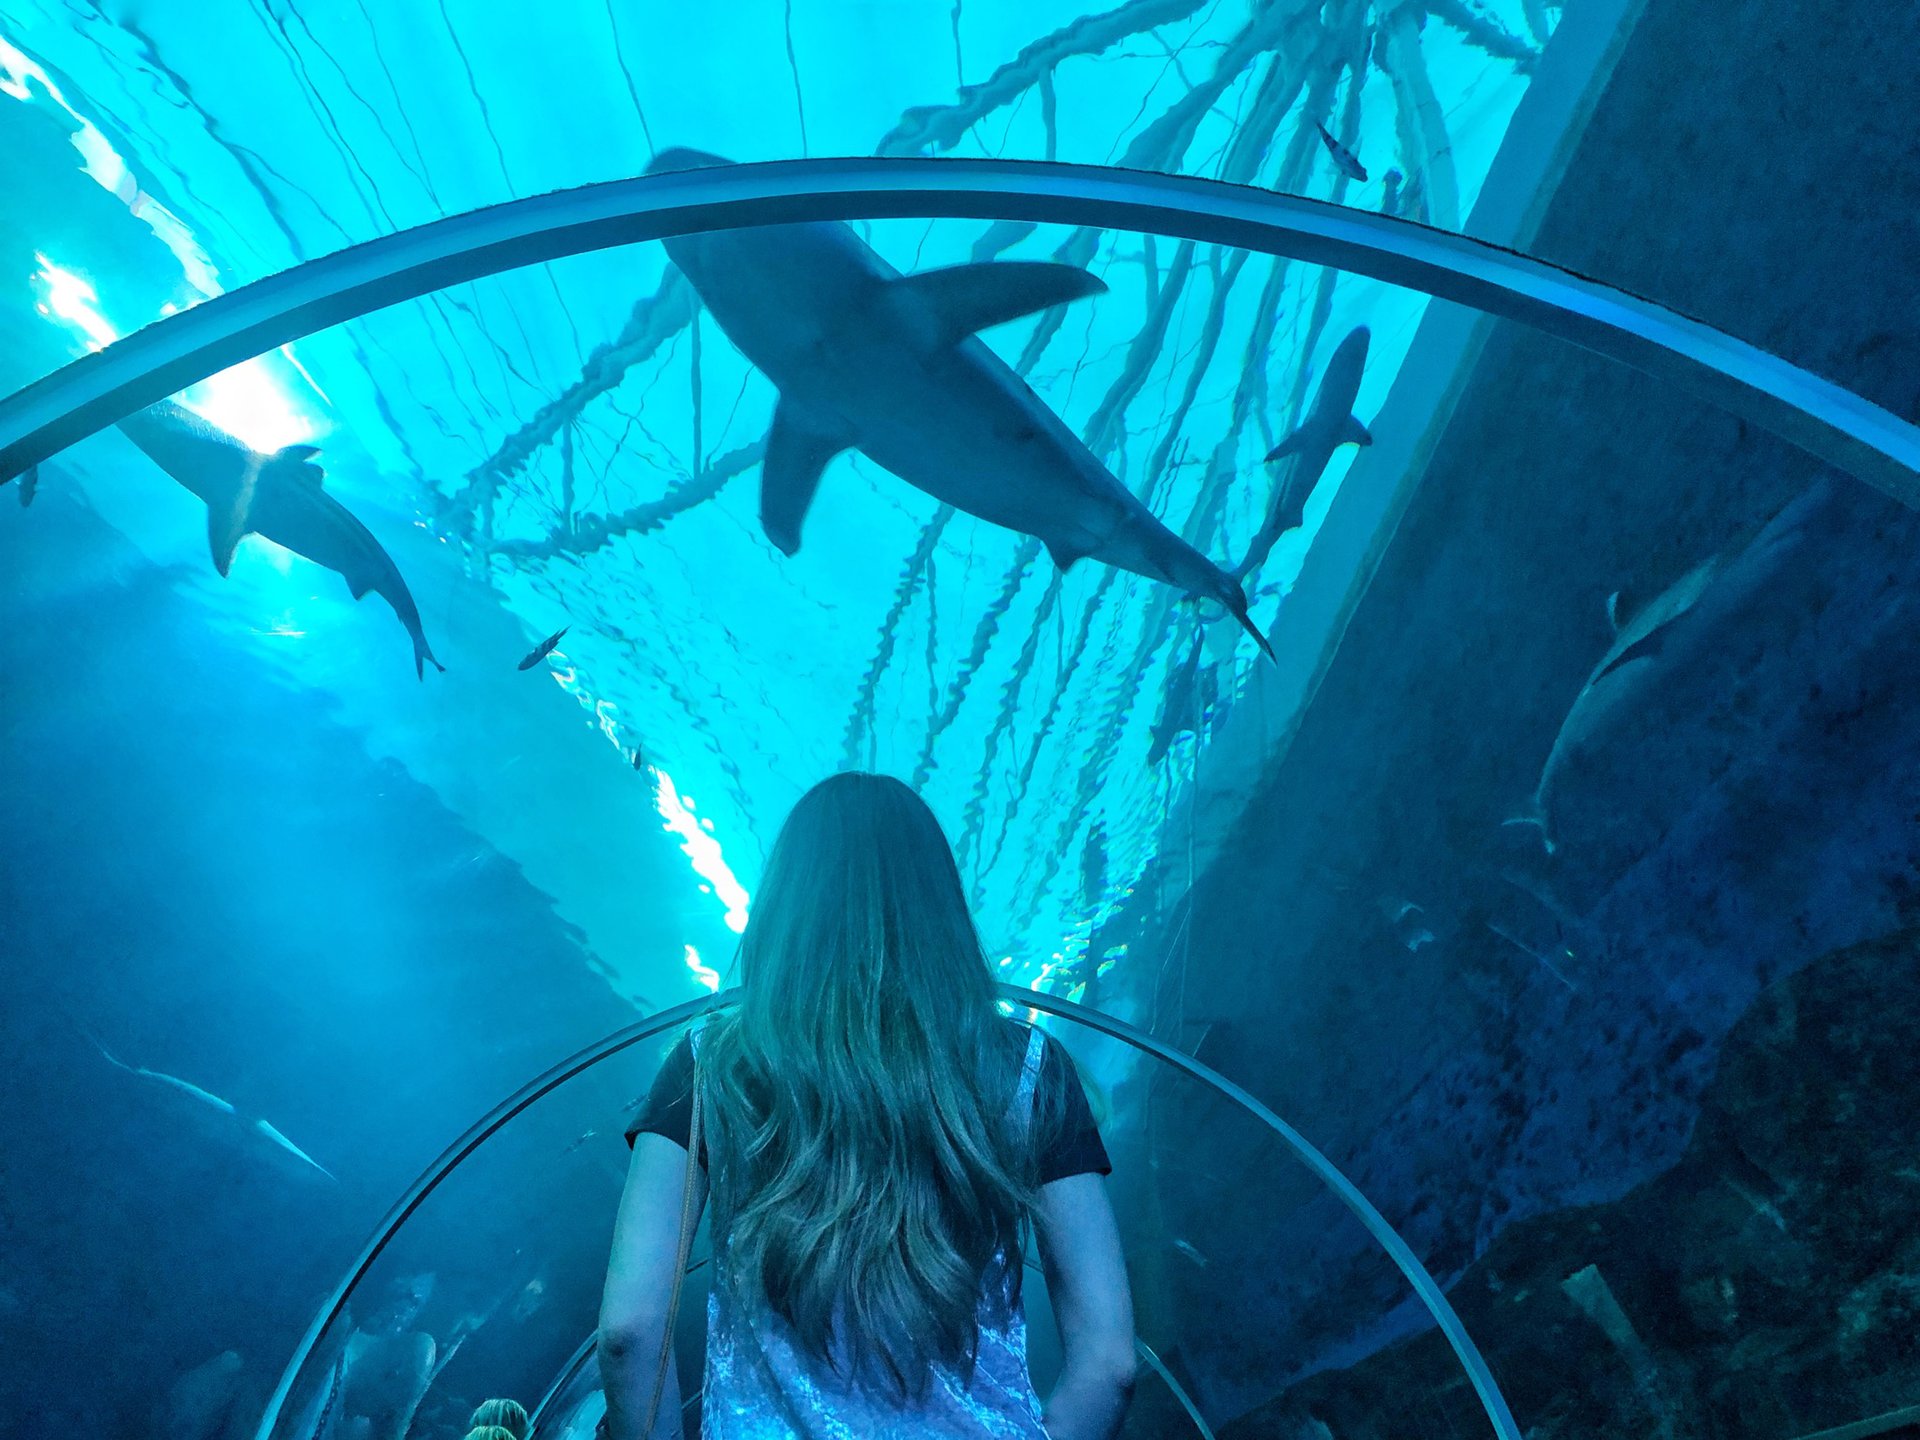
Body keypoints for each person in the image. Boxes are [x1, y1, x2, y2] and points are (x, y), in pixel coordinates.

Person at [599, 773, 1136, 1440]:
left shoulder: (711, 1065)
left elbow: (628, 1332)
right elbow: (1110, 1361)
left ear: (784, 908)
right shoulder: (1028, 1067)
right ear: (938, 907)